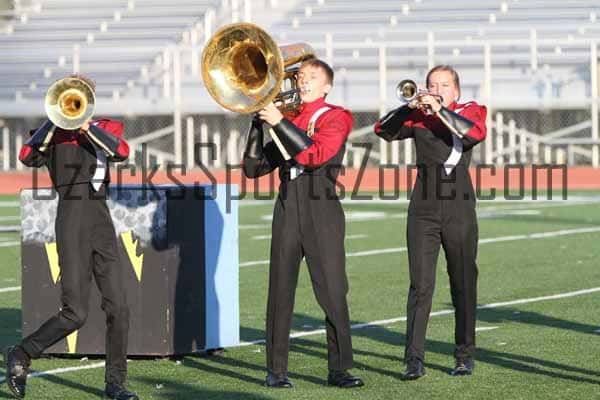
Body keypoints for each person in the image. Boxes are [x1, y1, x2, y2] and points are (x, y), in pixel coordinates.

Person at [4, 74, 138, 400]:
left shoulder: (104, 126)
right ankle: (22, 353)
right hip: (71, 217)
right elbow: (26, 156)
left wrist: (87, 127)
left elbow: (121, 151)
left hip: (101, 218)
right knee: (76, 312)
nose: (74, 103)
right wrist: (54, 121)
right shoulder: (51, 135)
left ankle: (115, 385)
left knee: (119, 306)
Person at [242, 58, 363, 389]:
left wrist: (279, 121)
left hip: (321, 206)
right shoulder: (289, 118)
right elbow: (253, 169)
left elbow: (315, 155)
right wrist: (256, 124)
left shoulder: (336, 116)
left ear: (326, 86)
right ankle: (275, 370)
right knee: (280, 291)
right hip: (288, 205)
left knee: (333, 291)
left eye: (311, 77)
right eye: (300, 76)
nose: (303, 81)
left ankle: (339, 368)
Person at [373, 65, 487, 379]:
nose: (437, 89)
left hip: (458, 207)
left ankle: (464, 354)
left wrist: (439, 110)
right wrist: (406, 107)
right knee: (420, 285)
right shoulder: (419, 116)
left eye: (445, 84)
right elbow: (382, 130)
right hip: (422, 208)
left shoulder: (471, 109)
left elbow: (475, 134)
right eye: (432, 84)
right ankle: (414, 359)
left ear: (457, 90)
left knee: (462, 282)